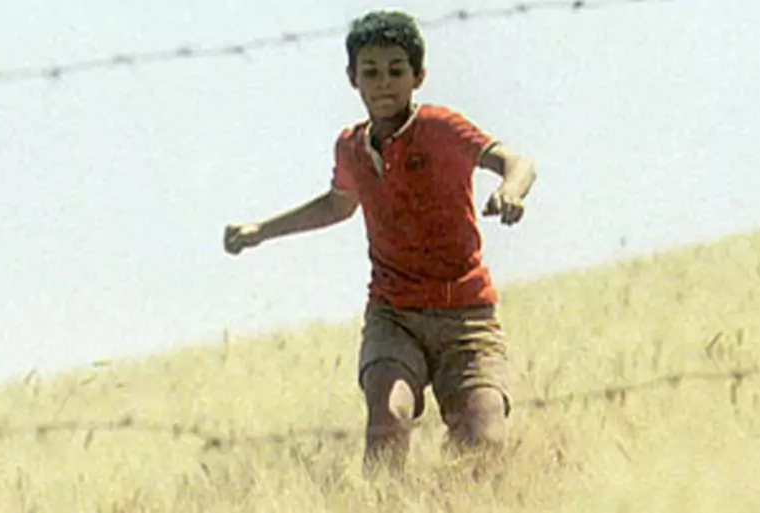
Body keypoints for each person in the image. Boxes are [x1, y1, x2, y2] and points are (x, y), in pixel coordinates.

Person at [222, 9, 538, 476]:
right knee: (388, 419)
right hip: (394, 315)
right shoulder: (351, 148)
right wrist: (261, 230)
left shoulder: (440, 128)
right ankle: (382, 503)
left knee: (483, 437)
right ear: (353, 79)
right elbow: (337, 205)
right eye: (370, 72)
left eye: (396, 70)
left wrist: (510, 191)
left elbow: (517, 161)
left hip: (466, 315)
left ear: (418, 76)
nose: (384, 83)